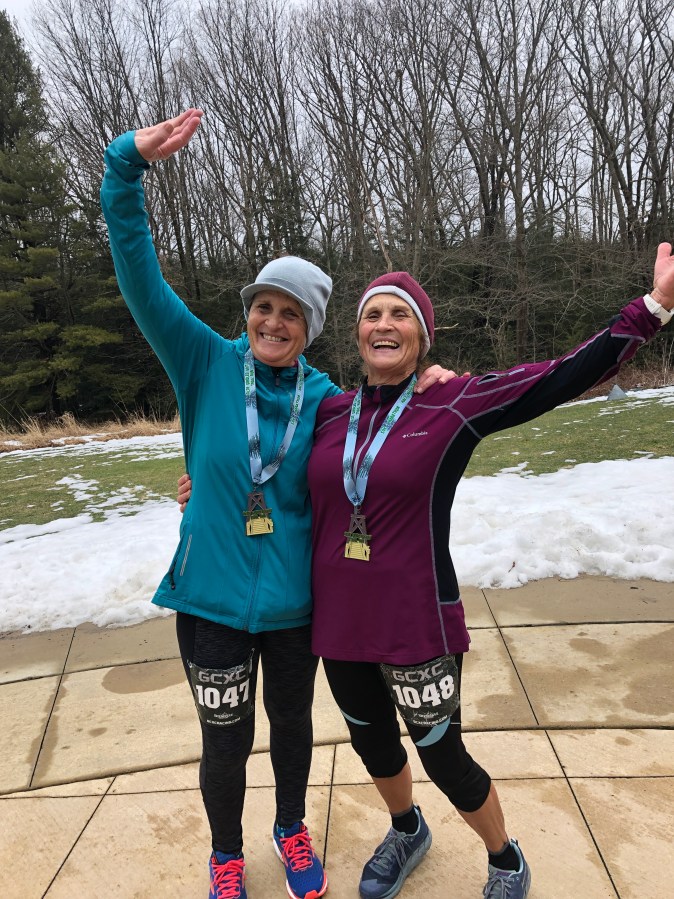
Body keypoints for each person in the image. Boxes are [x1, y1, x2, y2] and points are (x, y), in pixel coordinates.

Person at [101, 108, 455, 899]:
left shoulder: (327, 400)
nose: (272, 320)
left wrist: (431, 383)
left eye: (290, 312)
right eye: (264, 304)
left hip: (297, 607)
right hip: (212, 601)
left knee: (292, 726)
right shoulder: (202, 361)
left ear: (310, 328)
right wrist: (127, 166)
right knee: (224, 737)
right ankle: (225, 854)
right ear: (249, 312)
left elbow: (388, 420)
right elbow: (138, 276)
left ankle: (290, 828)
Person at [303, 262, 673, 899]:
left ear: (422, 336)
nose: (384, 325)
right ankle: (407, 829)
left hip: (417, 621)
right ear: (358, 332)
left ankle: (506, 858)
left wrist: (653, 308)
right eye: (372, 314)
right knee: (372, 746)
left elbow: (558, 377)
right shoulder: (328, 412)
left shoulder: (452, 400)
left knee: (443, 756)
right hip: (339, 623)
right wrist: (203, 488)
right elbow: (259, 455)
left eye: (400, 315)